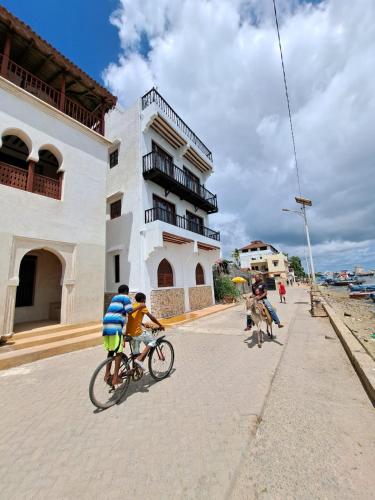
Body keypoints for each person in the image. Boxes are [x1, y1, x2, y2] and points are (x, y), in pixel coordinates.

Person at [102, 284, 145, 386]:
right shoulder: (125, 298)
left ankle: (107, 374)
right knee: (119, 352)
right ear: (127, 291)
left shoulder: (114, 298)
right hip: (116, 326)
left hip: (106, 325)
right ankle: (115, 378)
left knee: (111, 351)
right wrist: (140, 306)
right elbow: (129, 311)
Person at [126, 292, 165, 371]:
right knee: (153, 341)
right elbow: (151, 317)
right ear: (143, 300)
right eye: (145, 300)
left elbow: (134, 318)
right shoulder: (142, 305)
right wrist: (160, 325)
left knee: (135, 353)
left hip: (130, 333)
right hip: (137, 333)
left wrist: (143, 324)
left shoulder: (133, 305)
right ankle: (139, 360)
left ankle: (135, 370)